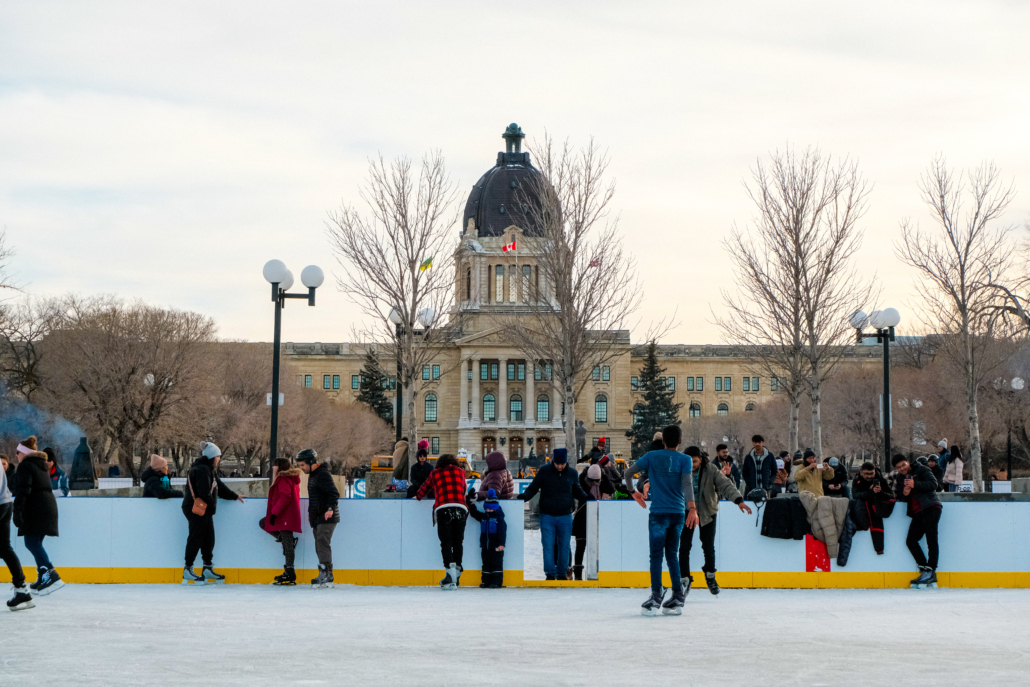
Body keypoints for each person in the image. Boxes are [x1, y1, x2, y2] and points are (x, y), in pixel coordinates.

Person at [624, 424, 697, 617]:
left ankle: (657, 594)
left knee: (656, 556)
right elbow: (688, 484)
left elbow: (628, 473)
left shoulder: (651, 457)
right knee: (672, 554)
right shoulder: (685, 460)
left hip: (658, 513)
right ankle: (678, 596)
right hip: (678, 513)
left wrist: (634, 492)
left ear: (663, 440)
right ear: (680, 441)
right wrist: (692, 509)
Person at [679, 446, 751, 596]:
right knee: (684, 546)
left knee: (708, 546)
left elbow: (725, 485)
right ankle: (684, 578)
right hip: (686, 512)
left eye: (695, 461)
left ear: (700, 459)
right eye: (689, 462)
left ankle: (710, 576)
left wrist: (739, 500)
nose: (692, 465)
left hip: (707, 512)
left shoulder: (710, 469)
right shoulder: (680, 469)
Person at [520, 448, 588, 581]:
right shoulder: (544, 472)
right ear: (553, 461)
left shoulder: (572, 473)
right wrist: (524, 496)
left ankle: (562, 573)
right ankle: (550, 574)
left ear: (566, 462)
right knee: (548, 545)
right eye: (557, 464)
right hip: (547, 516)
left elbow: (577, 491)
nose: (560, 466)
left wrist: (587, 497)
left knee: (564, 546)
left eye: (562, 464)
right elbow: (533, 487)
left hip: (565, 516)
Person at [181, 441, 244, 584]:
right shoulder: (202, 469)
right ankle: (188, 569)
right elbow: (204, 492)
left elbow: (219, 487)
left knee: (209, 538)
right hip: (196, 509)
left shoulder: (209, 469)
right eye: (218, 456)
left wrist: (235, 496)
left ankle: (207, 568)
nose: (219, 459)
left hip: (205, 510)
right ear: (212, 457)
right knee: (195, 538)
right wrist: (211, 503)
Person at [12, 437, 63, 595]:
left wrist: (17, 511)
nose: (16, 456)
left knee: (32, 543)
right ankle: (43, 576)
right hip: (45, 508)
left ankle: (50, 573)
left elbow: (24, 490)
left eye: (18, 452)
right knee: (35, 542)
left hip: (37, 510)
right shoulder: (39, 465)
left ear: (24, 453)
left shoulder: (25, 466)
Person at [415, 453, 470, 589]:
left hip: (444, 509)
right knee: (458, 542)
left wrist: (417, 496)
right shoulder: (461, 472)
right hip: (460, 509)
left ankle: (450, 573)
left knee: (446, 543)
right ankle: (456, 573)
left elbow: (423, 489)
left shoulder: (436, 473)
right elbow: (464, 490)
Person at [891, 454, 942, 587]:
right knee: (911, 541)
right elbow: (900, 496)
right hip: (917, 512)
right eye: (899, 467)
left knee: (931, 539)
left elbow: (933, 484)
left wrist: (915, 484)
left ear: (908, 462)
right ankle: (925, 569)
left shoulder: (921, 469)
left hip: (930, 507)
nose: (902, 468)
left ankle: (931, 571)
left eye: (903, 465)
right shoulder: (899, 478)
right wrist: (905, 494)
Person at [296, 448, 339, 588]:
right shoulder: (313, 475)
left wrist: (330, 509)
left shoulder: (322, 474)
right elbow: (314, 497)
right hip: (318, 516)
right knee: (319, 545)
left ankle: (327, 574)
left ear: (311, 462)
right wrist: (311, 513)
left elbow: (333, 493)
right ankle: (324, 573)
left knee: (322, 544)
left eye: (302, 465)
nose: (301, 468)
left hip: (327, 516)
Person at [263, 457, 302, 585]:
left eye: (275, 465)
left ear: (280, 467)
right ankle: (287, 543)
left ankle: (290, 571)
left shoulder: (284, 479)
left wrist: (274, 513)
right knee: (264, 523)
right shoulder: (287, 479)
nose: (273, 468)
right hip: (285, 515)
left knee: (285, 538)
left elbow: (285, 497)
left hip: (285, 515)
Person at [572, 463, 614, 580]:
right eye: (592, 480)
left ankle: (597, 571)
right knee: (580, 546)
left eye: (597, 480)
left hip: (597, 518)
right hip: (582, 518)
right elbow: (577, 489)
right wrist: (584, 474)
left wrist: (604, 476)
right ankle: (578, 574)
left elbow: (611, 489)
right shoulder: (583, 481)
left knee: (598, 546)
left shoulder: (601, 482)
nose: (595, 483)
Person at [1, 454, 31, 611]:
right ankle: (22, 589)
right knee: (4, 548)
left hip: (1, 505)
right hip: (5, 503)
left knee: (4, 548)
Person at [851, 461, 895, 555]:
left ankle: (879, 548)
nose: (870, 476)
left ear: (875, 472)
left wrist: (880, 492)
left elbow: (891, 496)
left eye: (872, 473)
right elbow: (855, 495)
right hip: (863, 511)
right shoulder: (857, 480)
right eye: (867, 474)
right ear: (861, 472)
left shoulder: (881, 480)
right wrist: (870, 492)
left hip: (878, 510)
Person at [468, 488, 507, 588]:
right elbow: (474, 513)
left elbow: (502, 532)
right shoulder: (484, 517)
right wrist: (469, 503)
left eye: (490, 509)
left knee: (496, 564)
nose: (488, 511)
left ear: (495, 508)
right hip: (485, 546)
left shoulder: (499, 519)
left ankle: (497, 582)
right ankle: (486, 581)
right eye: (487, 509)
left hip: (496, 547)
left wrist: (501, 544)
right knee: (486, 564)